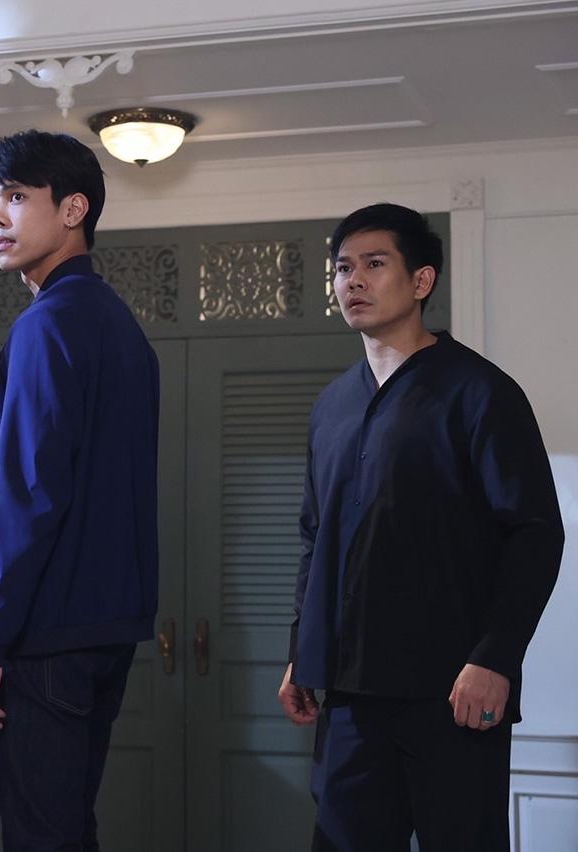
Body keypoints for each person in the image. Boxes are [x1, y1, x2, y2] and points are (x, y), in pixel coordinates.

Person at [278, 203, 564, 851]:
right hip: (349, 694)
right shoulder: (331, 406)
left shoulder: (480, 392)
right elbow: (315, 538)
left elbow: (535, 533)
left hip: (453, 692)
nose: (353, 280)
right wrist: (303, 650)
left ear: (421, 281)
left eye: (374, 264)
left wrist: (494, 657)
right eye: (343, 268)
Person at [0, 130, 160, 850]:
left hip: (44, 634)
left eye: (17, 197)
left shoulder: (46, 326)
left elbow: (29, 496)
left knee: (41, 836)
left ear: (73, 209)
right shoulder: (121, 327)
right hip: (107, 630)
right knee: (68, 829)